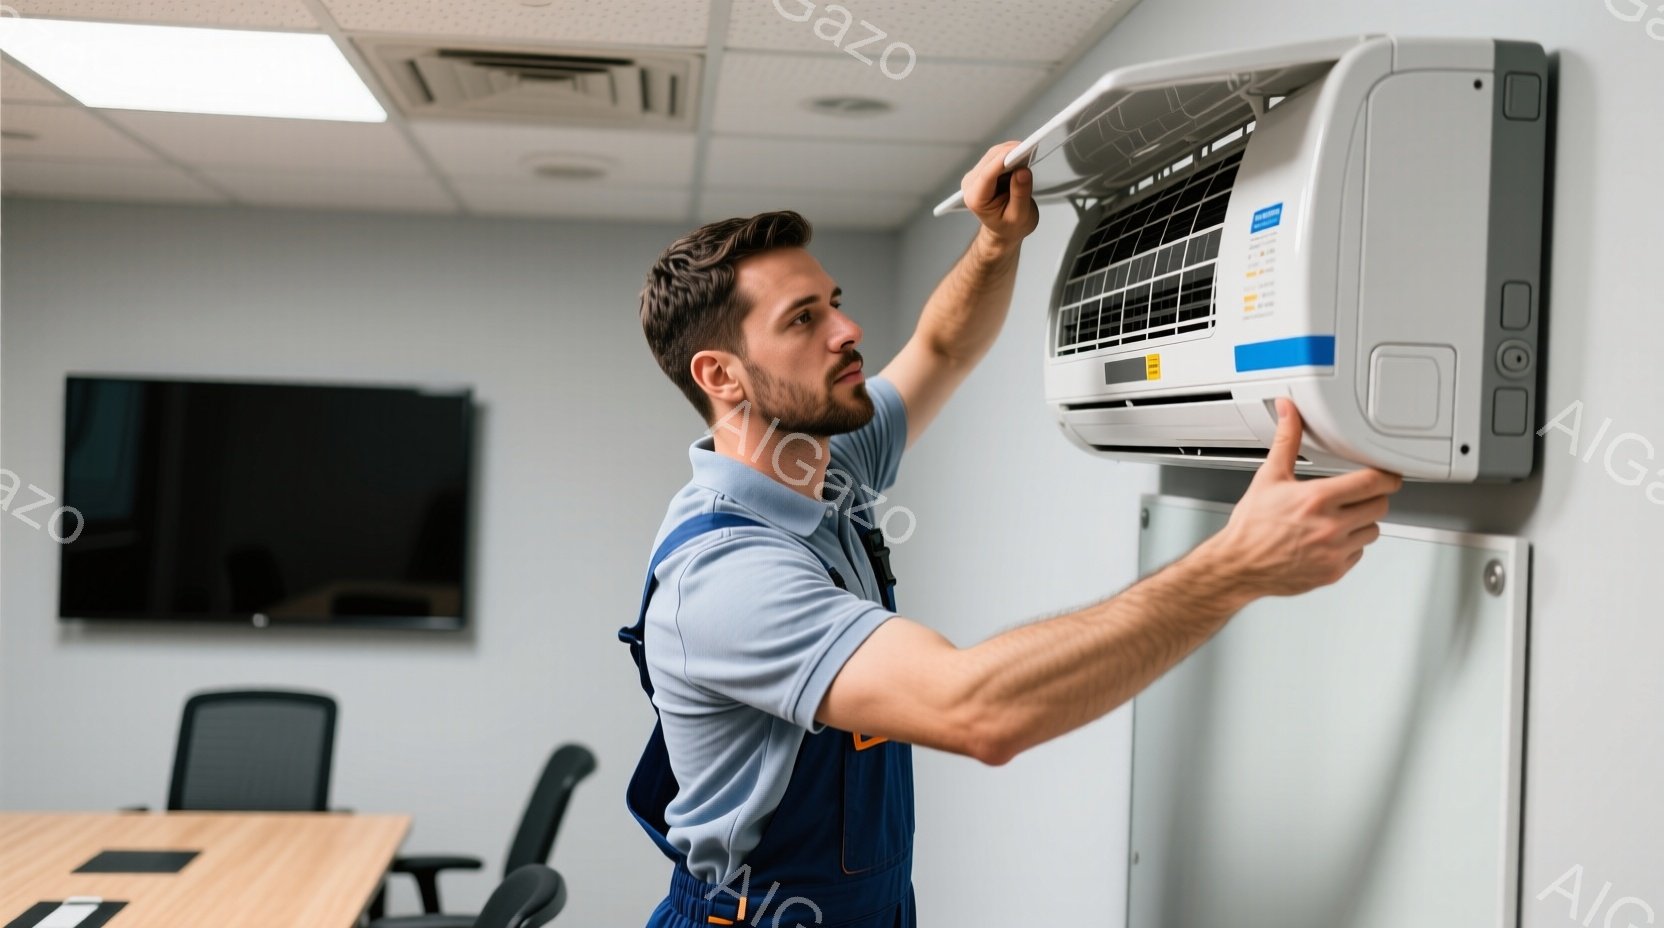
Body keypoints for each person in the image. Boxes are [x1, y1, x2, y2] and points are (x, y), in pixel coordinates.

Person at [621, 142, 1404, 928]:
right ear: (721, 376)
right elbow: (979, 711)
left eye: (833, 301)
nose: (848, 328)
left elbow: (942, 347)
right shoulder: (725, 578)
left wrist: (998, 242)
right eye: (804, 319)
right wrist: (1236, 566)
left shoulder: (822, 464)